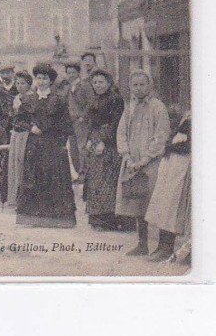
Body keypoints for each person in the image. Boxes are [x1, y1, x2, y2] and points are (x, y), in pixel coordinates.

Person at [116, 70, 171, 257]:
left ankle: (163, 246)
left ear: (149, 86)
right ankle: (142, 244)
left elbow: (161, 135)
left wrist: (146, 159)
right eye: (135, 85)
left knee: (156, 201)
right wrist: (127, 156)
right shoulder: (129, 108)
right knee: (137, 201)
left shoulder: (158, 107)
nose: (138, 88)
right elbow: (121, 133)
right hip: (132, 162)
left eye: (142, 84)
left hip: (152, 163)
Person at [15, 63, 76, 228]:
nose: (41, 82)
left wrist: (61, 143)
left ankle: (57, 219)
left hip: (53, 145)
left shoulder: (59, 100)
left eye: (45, 78)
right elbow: (19, 120)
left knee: (54, 178)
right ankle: (32, 217)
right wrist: (31, 127)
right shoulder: (28, 99)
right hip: (34, 144)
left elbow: (66, 124)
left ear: (50, 81)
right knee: (34, 177)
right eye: (38, 78)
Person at [82, 69, 127, 231]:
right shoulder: (95, 99)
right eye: (94, 82)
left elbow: (116, 123)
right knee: (95, 179)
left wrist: (104, 142)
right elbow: (91, 123)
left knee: (107, 181)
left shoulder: (115, 99)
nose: (97, 85)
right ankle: (97, 218)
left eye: (101, 82)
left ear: (108, 83)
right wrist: (89, 140)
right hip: (95, 139)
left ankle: (109, 220)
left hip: (109, 143)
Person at [145, 111, 191, 263]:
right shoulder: (186, 116)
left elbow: (190, 145)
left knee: (172, 206)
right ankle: (161, 246)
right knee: (163, 204)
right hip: (171, 164)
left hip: (182, 165)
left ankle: (167, 248)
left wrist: (170, 147)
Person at [63, 61, 95, 181]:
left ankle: (84, 173)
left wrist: (83, 117)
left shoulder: (84, 85)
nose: (70, 75)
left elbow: (91, 102)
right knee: (73, 148)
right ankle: (77, 172)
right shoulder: (68, 87)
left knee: (82, 147)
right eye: (68, 73)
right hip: (70, 122)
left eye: (73, 72)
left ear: (78, 73)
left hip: (81, 121)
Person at [6, 71, 33, 207]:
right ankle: (14, 198)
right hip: (16, 133)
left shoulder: (30, 98)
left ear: (28, 84)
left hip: (25, 133)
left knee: (21, 164)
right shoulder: (16, 97)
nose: (20, 86)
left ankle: (23, 199)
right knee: (14, 165)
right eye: (17, 83)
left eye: (23, 83)